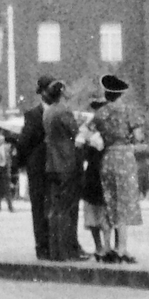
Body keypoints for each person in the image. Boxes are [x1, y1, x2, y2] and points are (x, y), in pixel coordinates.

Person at [92, 74, 142, 263]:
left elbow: (89, 132)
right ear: (121, 93)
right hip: (124, 158)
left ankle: (107, 247)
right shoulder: (129, 111)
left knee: (109, 201)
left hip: (107, 157)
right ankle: (121, 248)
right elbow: (138, 137)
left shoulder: (100, 113)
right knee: (125, 202)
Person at [41, 80, 85, 261]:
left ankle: (55, 251)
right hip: (66, 162)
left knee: (55, 207)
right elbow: (75, 132)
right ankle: (66, 250)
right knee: (67, 208)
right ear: (61, 92)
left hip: (51, 163)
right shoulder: (64, 111)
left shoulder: (48, 112)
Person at [17, 76, 51, 259]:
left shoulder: (58, 112)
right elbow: (24, 142)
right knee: (39, 207)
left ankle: (53, 244)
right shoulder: (32, 115)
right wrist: (23, 164)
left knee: (53, 207)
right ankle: (42, 246)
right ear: (43, 93)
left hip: (54, 166)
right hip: (38, 168)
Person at [76, 102, 109, 260]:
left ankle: (101, 247)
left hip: (93, 174)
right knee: (102, 214)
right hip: (98, 174)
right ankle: (104, 247)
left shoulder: (87, 131)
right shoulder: (95, 131)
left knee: (96, 214)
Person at [0, 134, 14, 210]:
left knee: (7, 188)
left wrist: (9, 167)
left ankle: (10, 206)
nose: (0, 141)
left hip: (5, 169)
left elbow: (10, 158)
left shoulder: (7, 148)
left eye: (1, 140)